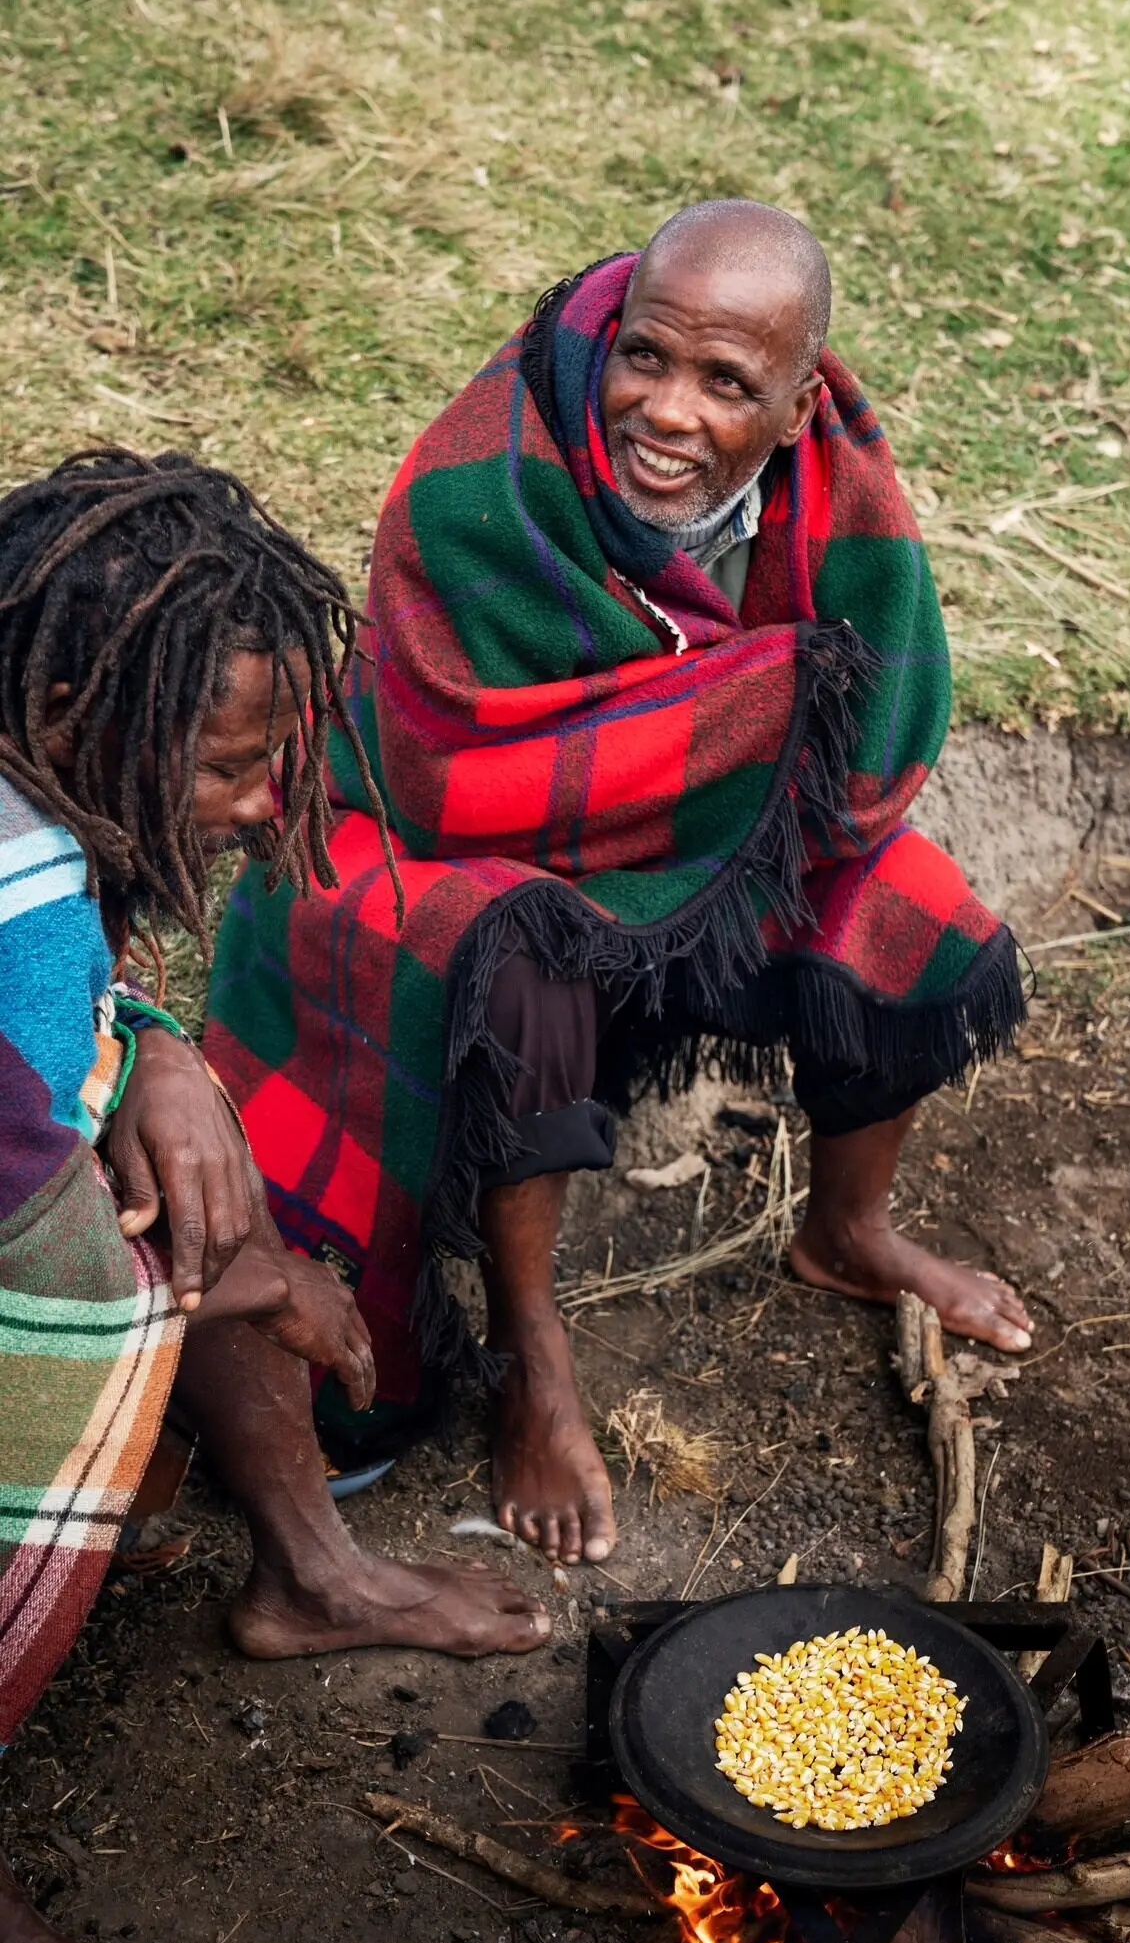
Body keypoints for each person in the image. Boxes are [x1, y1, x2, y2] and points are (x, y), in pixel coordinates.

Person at [204, 199, 1032, 1579]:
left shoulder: (835, 483)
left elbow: (866, 737)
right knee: (519, 964)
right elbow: (428, 756)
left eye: (726, 386)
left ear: (799, 396)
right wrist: (746, 706)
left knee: (906, 901)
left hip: (679, 838)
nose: (666, 411)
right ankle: (535, 1363)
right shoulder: (481, 481)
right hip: (444, 831)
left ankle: (846, 1232)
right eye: (647, 358)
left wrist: (732, 735)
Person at [0, 450, 550, 1943]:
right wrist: (261, 1284)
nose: (265, 808)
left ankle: (308, 1574)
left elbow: (64, 1039)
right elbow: (35, 1228)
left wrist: (159, 1045)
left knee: (201, 1162)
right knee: (177, 1251)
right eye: (228, 768)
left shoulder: (37, 821)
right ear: (67, 721)